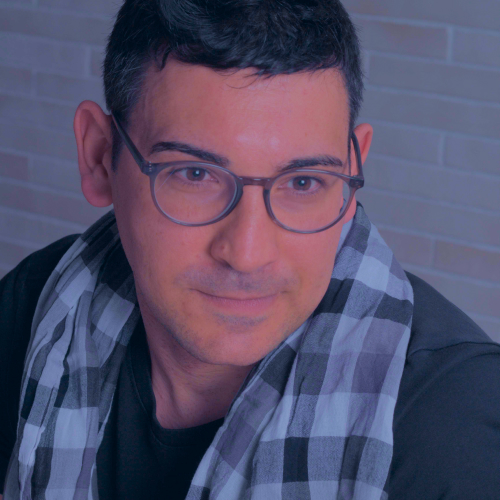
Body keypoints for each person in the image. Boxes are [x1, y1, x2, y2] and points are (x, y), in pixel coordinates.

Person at [1, 0, 499, 498]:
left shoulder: (454, 423)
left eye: (303, 181)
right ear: (98, 156)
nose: (247, 254)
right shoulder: (34, 307)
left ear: (352, 173)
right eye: (194, 174)